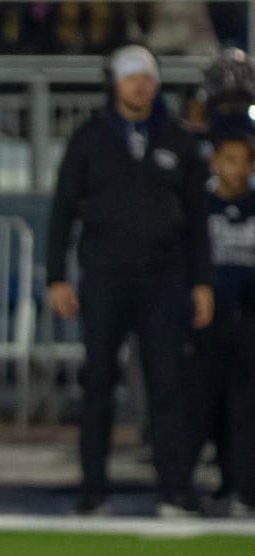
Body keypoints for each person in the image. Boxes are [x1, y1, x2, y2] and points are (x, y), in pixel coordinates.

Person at [46, 45, 214, 517]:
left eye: (147, 78)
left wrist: (201, 282)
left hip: (164, 279)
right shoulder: (90, 138)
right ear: (115, 85)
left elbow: (197, 220)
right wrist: (56, 276)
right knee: (98, 383)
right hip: (104, 277)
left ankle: (175, 490)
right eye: (131, 78)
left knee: (167, 387)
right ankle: (93, 490)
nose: (140, 86)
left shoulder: (179, 140)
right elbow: (62, 210)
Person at [191, 132, 255, 516]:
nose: (239, 168)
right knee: (205, 407)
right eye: (230, 160)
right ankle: (209, 484)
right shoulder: (200, 205)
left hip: (248, 320)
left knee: (245, 409)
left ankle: (244, 489)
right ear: (216, 162)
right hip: (208, 320)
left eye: (246, 161)